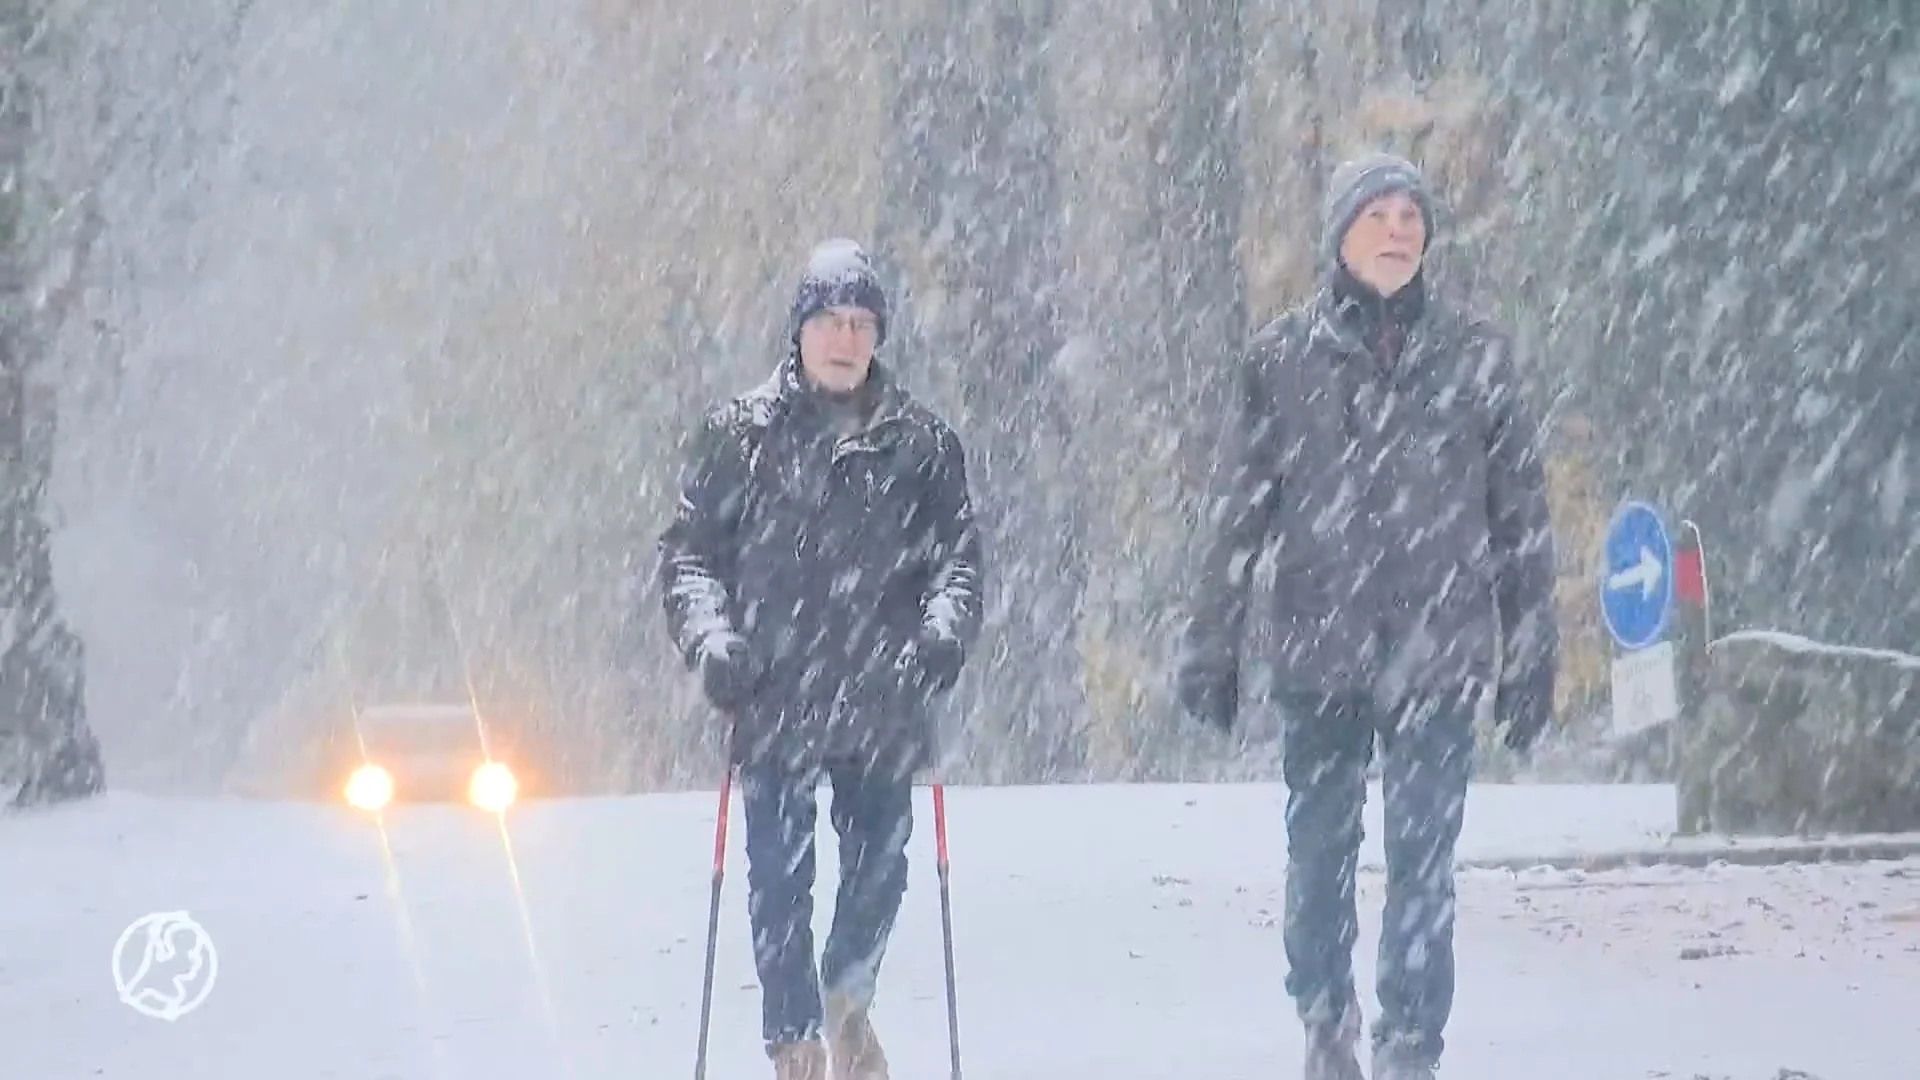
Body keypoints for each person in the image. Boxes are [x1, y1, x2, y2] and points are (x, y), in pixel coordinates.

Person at [1174, 152, 1559, 1080]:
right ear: (1341, 234)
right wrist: (1212, 645)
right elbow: (1238, 512)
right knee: (1319, 857)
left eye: (1412, 215)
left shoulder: (1477, 355)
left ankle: (1410, 1046)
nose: (1399, 229)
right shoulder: (1280, 360)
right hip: (1320, 650)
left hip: (1440, 650)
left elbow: (1522, 518)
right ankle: (1325, 1018)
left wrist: (1533, 652)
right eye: (1379, 213)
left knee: (1425, 868)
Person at [657, 238, 985, 1080]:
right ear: (800, 329)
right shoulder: (741, 436)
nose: (846, 338)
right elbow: (691, 556)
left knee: (881, 869)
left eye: (862, 322)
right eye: (831, 321)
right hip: (773, 695)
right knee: (778, 881)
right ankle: (796, 1041)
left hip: (885, 694)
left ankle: (847, 997)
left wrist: (943, 634)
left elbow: (957, 559)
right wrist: (713, 642)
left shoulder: (922, 445)